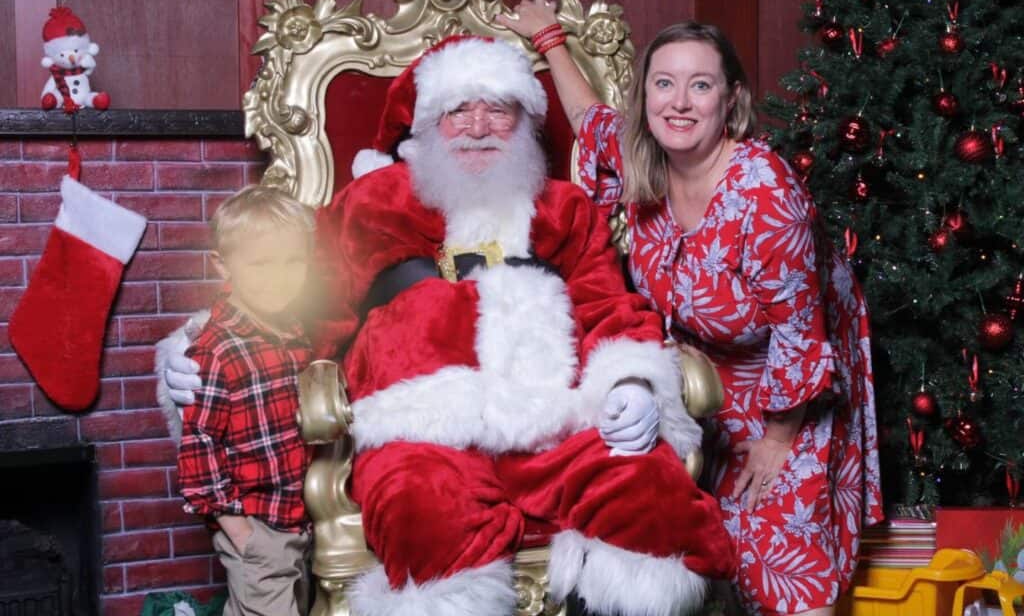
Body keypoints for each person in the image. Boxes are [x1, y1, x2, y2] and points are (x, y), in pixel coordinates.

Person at [161, 35, 735, 616]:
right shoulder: (373, 202)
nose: (478, 125)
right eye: (459, 109)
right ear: (428, 122)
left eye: (497, 109)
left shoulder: (565, 209)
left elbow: (608, 305)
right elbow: (300, 299)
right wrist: (205, 346)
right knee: (424, 512)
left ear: (525, 120)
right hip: (418, 433)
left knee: (652, 494)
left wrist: (633, 382)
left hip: (553, 423)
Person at [498, 0, 884, 616]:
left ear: (730, 99)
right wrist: (550, 39)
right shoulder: (641, 157)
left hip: (791, 384)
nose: (679, 102)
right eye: (664, 83)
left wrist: (778, 438)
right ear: (645, 96)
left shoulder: (765, 192)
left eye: (699, 85)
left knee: (776, 549)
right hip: (704, 380)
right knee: (703, 554)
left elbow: (799, 332)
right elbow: (586, 116)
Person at [175, 185, 316, 616]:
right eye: (261, 264)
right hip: (258, 529)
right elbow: (199, 447)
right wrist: (240, 532)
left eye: (295, 261)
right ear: (222, 265)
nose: (281, 277)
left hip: (296, 518)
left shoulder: (293, 334)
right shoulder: (216, 350)